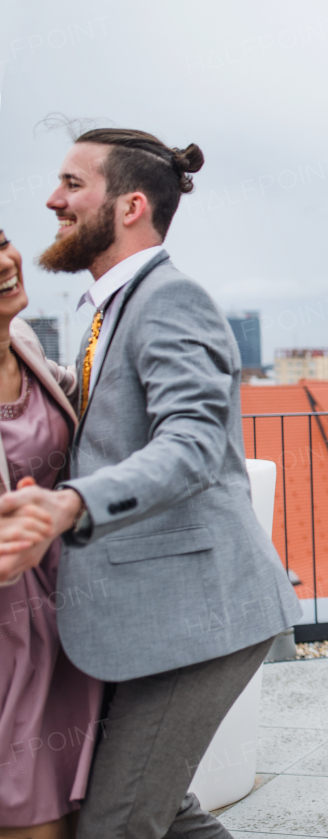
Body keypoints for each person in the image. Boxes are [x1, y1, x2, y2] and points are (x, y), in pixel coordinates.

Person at [0, 129, 301, 839]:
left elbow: (193, 442)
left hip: (201, 618)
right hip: (143, 620)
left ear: (130, 205)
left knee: (117, 822)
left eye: (73, 185)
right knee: (168, 812)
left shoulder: (171, 300)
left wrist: (70, 503)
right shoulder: (105, 309)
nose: (53, 199)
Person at [0, 229, 101, 839]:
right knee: (25, 802)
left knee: (81, 800)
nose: (6, 262)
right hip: (8, 628)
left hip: (68, 613)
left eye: (3, 241)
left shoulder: (26, 342)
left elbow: (89, 400)